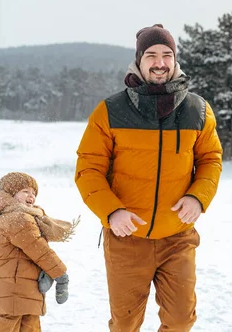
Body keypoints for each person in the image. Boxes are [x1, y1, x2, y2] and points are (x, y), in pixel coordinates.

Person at [75, 23, 223, 332]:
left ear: (175, 59)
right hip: (127, 238)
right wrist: (112, 211)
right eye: (152, 55)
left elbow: (210, 159)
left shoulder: (198, 110)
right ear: (139, 61)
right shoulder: (110, 111)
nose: (160, 63)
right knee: (126, 323)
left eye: (167, 55)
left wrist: (198, 197)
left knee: (181, 320)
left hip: (177, 237)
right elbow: (88, 169)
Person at [0, 172, 73, 332]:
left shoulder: (15, 216)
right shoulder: (17, 218)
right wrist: (60, 274)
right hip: (14, 290)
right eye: (25, 191)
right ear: (11, 193)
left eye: (34, 193)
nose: (31, 196)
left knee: (29, 327)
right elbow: (38, 249)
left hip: (22, 289)